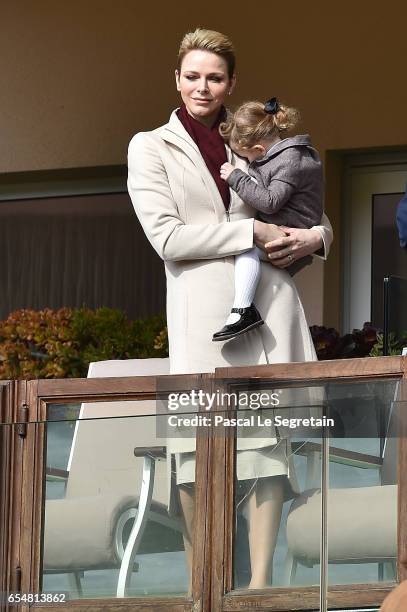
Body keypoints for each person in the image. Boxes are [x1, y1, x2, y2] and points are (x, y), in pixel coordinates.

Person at [127, 28, 333, 591]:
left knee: (267, 460)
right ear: (176, 79)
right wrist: (251, 228)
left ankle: (262, 591)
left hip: (269, 312)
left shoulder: (253, 135)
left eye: (214, 77)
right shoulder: (150, 146)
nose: (203, 86)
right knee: (198, 461)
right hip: (203, 323)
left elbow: (303, 200)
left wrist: (319, 236)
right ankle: (206, 590)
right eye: (192, 75)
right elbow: (168, 238)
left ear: (231, 83)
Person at [212, 98, 323, 341]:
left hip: (289, 232)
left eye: (247, 157)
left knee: (245, 247)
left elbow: (270, 202)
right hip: (287, 226)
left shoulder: (289, 161)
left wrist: (237, 178)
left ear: (260, 150)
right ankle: (244, 310)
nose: (249, 164)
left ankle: (243, 310)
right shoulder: (285, 156)